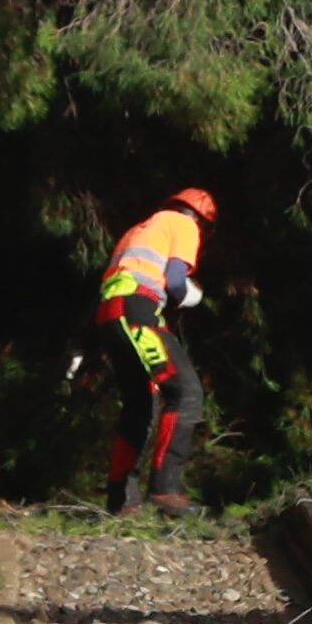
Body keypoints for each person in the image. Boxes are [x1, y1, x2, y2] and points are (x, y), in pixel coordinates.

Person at [102, 186, 216, 515]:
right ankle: (165, 490)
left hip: (111, 316)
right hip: (137, 311)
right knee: (186, 392)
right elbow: (175, 279)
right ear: (202, 221)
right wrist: (188, 296)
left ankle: (122, 501)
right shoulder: (184, 226)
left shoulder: (138, 231)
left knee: (138, 406)